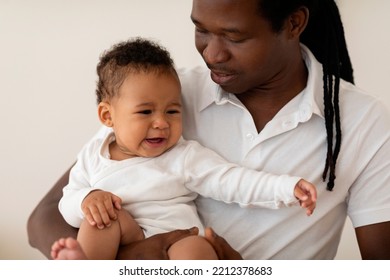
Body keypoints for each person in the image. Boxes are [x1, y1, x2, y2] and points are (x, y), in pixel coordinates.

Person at [27, 0, 390, 260]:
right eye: (201, 29)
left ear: (294, 23)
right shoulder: (166, 95)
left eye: (234, 37)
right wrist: (130, 258)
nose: (212, 54)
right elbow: (44, 217)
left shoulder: (362, 122)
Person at [50, 38, 316, 260]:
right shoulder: (93, 154)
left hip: (175, 240)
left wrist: (286, 188)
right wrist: (87, 198)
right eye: (145, 111)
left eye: (173, 111)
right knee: (100, 220)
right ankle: (84, 265)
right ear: (108, 116)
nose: (161, 123)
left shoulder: (183, 156)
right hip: (124, 235)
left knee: (197, 248)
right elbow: (67, 202)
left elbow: (233, 180)